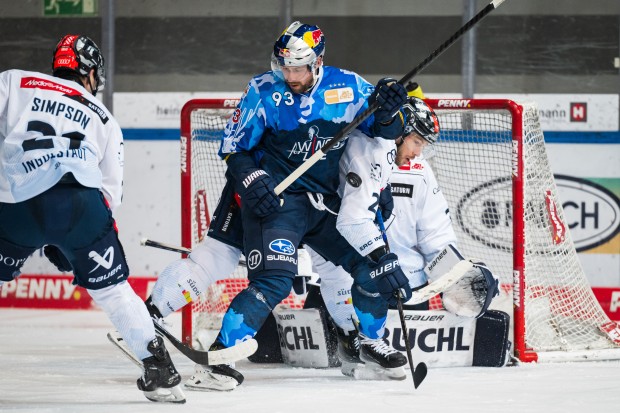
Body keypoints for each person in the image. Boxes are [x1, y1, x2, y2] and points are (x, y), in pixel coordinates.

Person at [143, 20, 413, 390]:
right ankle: (218, 359)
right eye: (284, 66)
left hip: (323, 204)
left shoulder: (347, 86)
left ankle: (368, 341)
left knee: (371, 265)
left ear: (318, 62)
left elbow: (384, 130)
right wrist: (252, 179)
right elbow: (233, 146)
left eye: (298, 67)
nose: (290, 74)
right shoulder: (263, 90)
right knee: (274, 279)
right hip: (278, 203)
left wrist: (388, 111)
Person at [0, 34, 185, 403]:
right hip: (82, 205)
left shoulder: (13, 80)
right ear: (89, 73)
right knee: (115, 291)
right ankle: (161, 370)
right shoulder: (104, 117)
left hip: (17, 202)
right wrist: (71, 240)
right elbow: (110, 194)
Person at [306, 95, 499, 377]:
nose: (418, 152)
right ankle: (350, 337)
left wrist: (459, 275)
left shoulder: (419, 172)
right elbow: (325, 228)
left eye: (423, 144)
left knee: (390, 370)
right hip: (346, 286)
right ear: (398, 132)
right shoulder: (349, 154)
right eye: (417, 141)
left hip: (403, 289)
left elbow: (436, 238)